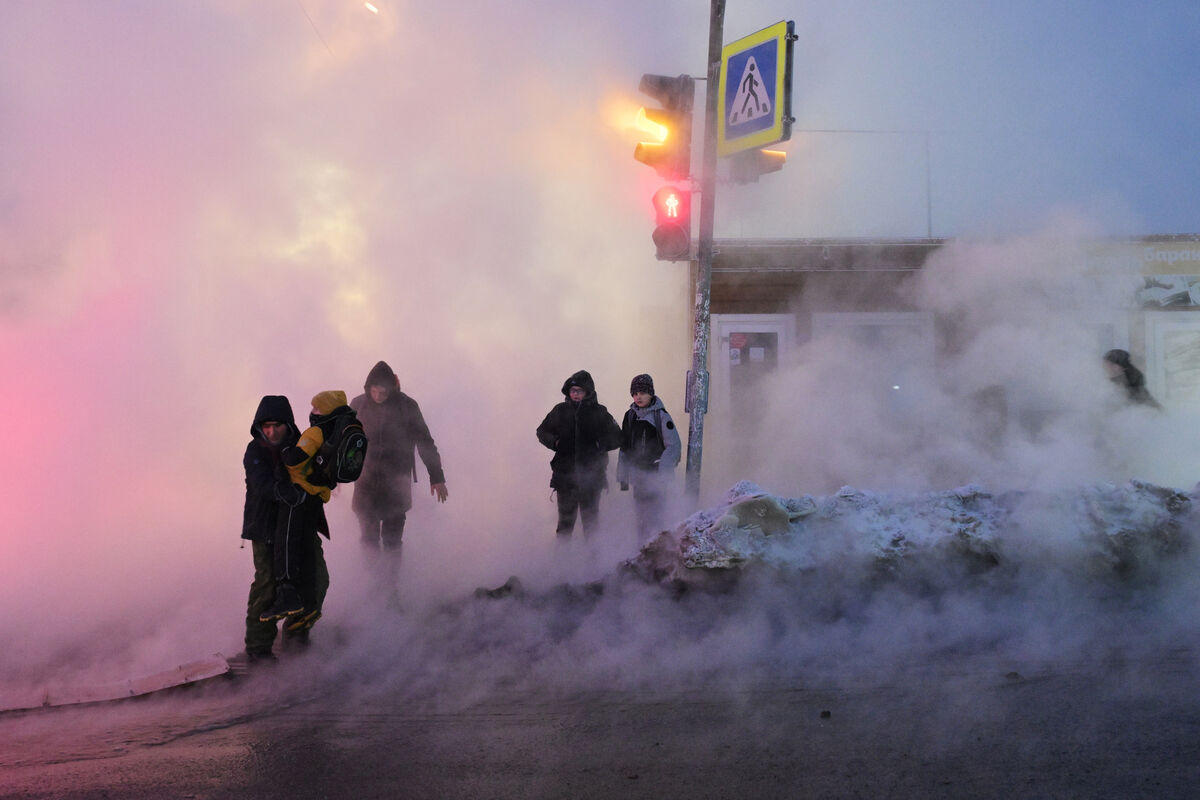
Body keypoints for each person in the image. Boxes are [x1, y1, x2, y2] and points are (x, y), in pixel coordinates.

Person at [240, 395, 328, 662]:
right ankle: (258, 648)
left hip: (301, 525)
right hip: (265, 527)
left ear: (288, 424)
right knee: (267, 586)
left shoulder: (304, 446)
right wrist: (284, 491)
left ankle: (297, 633)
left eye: (277, 425)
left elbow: (319, 474)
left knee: (317, 579)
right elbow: (261, 484)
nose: (271, 431)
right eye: (266, 426)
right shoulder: (254, 451)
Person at [258, 391, 344, 626]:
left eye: (316, 409)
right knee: (302, 561)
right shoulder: (337, 431)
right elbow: (259, 481)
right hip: (307, 503)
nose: (312, 412)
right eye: (267, 426)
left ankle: (298, 608)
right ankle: (304, 609)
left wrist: (287, 456)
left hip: (301, 502)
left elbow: (295, 460)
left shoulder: (312, 433)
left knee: (296, 555)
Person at [349, 361, 447, 556]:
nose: (377, 396)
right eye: (374, 391)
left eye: (383, 392)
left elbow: (425, 442)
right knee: (368, 539)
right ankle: (370, 582)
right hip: (365, 484)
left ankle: (390, 583)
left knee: (392, 540)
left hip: (396, 484)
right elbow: (345, 442)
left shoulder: (407, 407)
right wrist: (338, 474)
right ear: (368, 388)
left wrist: (437, 477)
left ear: (392, 389)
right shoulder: (358, 405)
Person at [536, 369, 622, 536]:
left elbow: (617, 436)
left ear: (588, 392)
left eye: (579, 391)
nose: (575, 394)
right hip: (565, 479)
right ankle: (563, 560)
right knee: (564, 526)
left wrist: (600, 444)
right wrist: (555, 442)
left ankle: (592, 561)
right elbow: (542, 431)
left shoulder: (600, 412)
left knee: (591, 526)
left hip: (591, 480)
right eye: (573, 391)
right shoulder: (559, 411)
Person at [616, 373, 682, 542]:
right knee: (641, 518)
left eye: (643, 393)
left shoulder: (661, 416)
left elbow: (673, 446)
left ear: (651, 393)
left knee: (657, 517)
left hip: (655, 476)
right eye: (635, 393)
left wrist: (663, 473)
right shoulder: (629, 416)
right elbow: (624, 448)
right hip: (638, 477)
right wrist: (623, 475)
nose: (638, 397)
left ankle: (659, 553)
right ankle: (642, 553)